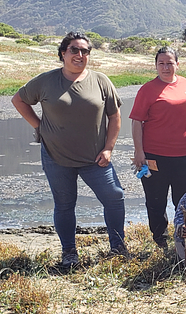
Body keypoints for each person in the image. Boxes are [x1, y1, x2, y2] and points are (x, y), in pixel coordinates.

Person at [12, 31, 127, 267]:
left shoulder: (101, 81)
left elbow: (115, 116)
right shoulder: (46, 81)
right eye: (74, 50)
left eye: (85, 51)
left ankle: (118, 248)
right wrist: (39, 126)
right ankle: (69, 253)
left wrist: (109, 149)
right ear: (63, 53)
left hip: (95, 158)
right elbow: (19, 100)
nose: (80, 55)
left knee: (114, 197)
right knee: (65, 205)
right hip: (57, 157)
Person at [131, 46, 186, 248]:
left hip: (185, 155)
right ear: (156, 65)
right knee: (156, 202)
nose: (165, 67)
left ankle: (185, 238)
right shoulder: (147, 90)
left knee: (185, 200)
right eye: (161, 63)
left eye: (169, 63)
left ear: (177, 63)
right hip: (155, 156)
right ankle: (160, 240)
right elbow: (136, 122)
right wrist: (139, 152)